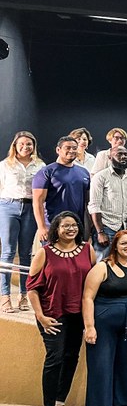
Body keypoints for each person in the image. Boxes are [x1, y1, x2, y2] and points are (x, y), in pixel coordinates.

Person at [26, 212, 95, 406]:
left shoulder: (87, 250)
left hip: (77, 314)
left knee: (71, 358)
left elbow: (92, 282)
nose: (71, 229)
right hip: (51, 315)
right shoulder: (44, 253)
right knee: (54, 359)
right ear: (56, 228)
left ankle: (59, 404)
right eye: (65, 226)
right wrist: (40, 316)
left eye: (74, 225)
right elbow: (32, 287)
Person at [82, 230, 127, 406]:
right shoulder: (102, 267)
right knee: (101, 366)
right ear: (115, 245)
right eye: (123, 243)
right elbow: (87, 297)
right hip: (103, 324)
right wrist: (89, 327)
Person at [0, 131, 44, 313]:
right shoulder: (5, 165)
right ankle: (5, 297)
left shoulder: (40, 165)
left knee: (26, 253)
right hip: (8, 206)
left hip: (30, 208)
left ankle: (24, 295)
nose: (25, 147)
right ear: (15, 145)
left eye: (29, 144)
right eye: (22, 144)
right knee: (8, 251)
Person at [32, 136, 91, 242]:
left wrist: (88, 228)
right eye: (67, 148)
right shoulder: (46, 172)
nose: (72, 151)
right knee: (52, 258)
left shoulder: (84, 172)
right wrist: (42, 227)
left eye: (74, 148)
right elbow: (38, 202)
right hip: (53, 226)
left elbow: (87, 203)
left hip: (77, 227)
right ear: (58, 150)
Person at [88, 146, 127, 261]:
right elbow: (94, 206)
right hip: (107, 227)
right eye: (119, 154)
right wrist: (100, 232)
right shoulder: (100, 177)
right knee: (102, 262)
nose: (123, 157)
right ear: (110, 157)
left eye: (126, 154)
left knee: (123, 263)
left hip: (125, 227)